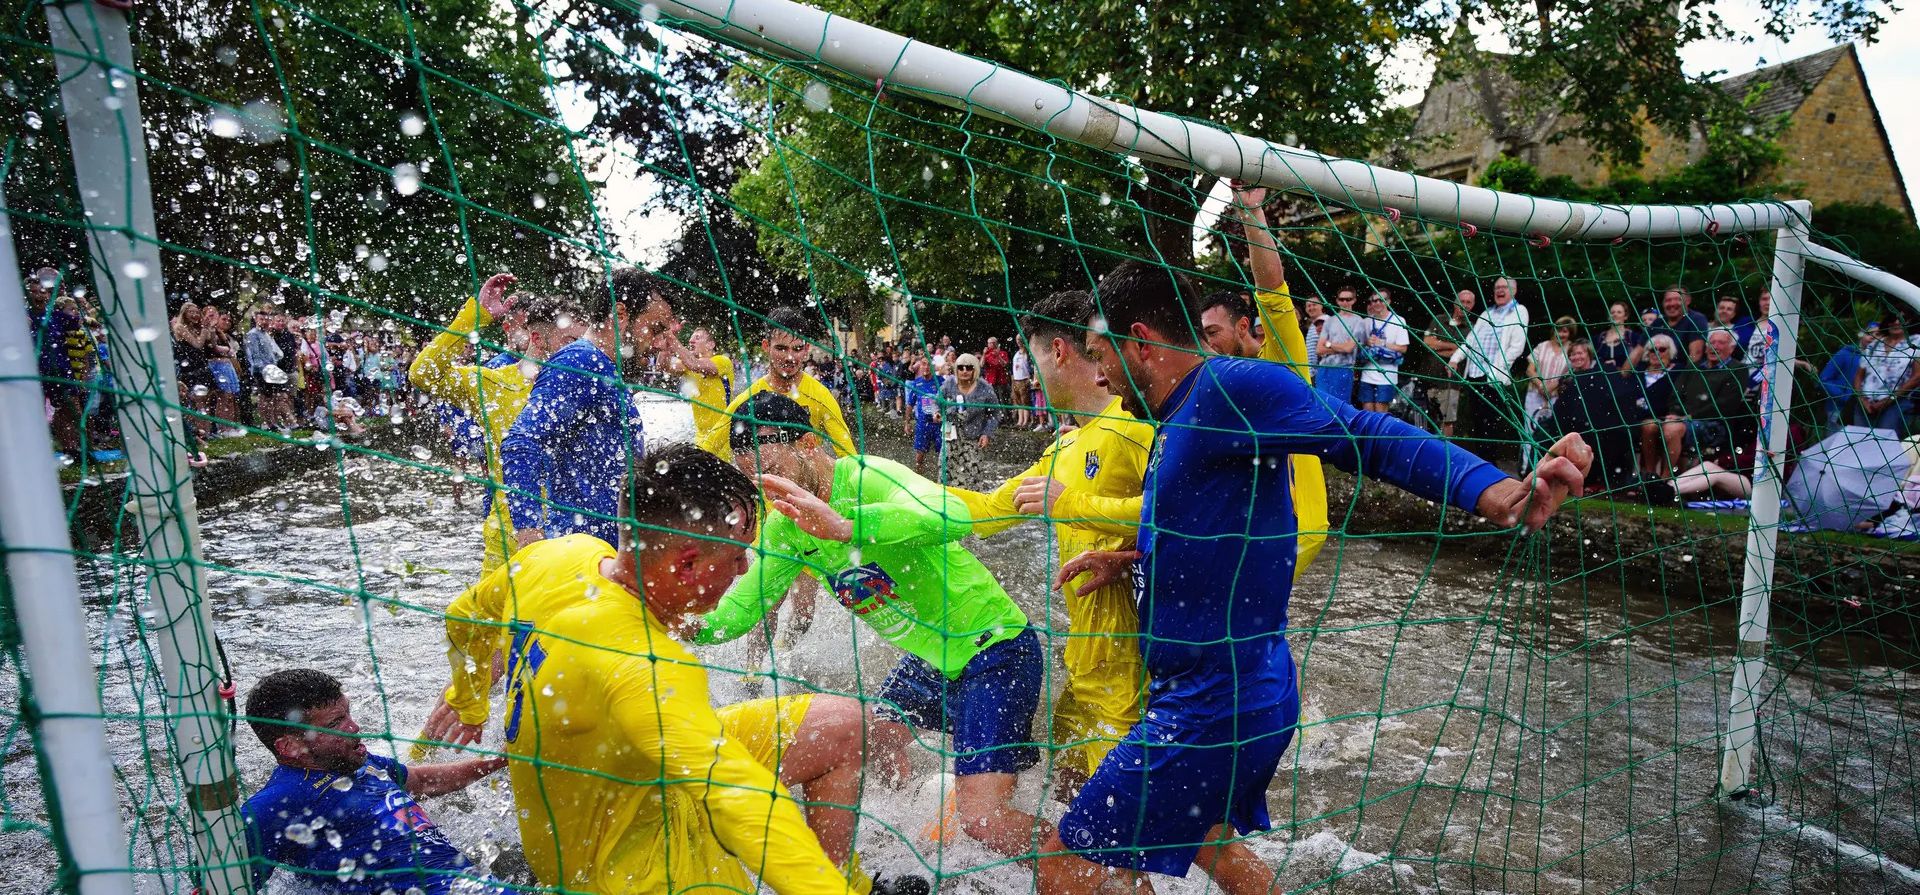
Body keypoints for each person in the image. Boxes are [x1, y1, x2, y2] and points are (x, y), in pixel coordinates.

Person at [1034, 260, 1588, 895]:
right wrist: (1132, 560)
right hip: (1220, 692)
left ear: (1139, 340)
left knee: (1063, 865)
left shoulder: (1227, 387)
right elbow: (1218, 530)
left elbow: (1366, 432)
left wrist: (1492, 491)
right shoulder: (1180, 412)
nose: (1098, 373)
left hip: (1215, 702)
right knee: (1192, 853)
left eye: (1102, 354)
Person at [425, 445, 919, 895]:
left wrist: (470, 703)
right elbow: (737, 796)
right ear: (684, 564)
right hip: (619, 866)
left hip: (621, 779)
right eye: (736, 555)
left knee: (844, 726)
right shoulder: (647, 661)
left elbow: (462, 619)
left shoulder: (560, 555)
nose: (745, 569)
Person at [697, 393, 1046, 862]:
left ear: (806, 444)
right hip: (931, 660)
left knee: (983, 818)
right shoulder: (785, 527)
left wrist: (847, 525)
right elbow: (738, 613)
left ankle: (1098, 871)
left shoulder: (868, 477)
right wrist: (674, 616)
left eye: (772, 475)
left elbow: (953, 516)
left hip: (995, 647)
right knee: (870, 737)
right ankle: (916, 852)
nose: (769, 495)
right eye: (756, 482)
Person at [949, 290, 1149, 799]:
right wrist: (887, 497)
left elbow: (1188, 512)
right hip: (1083, 659)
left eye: (1034, 359)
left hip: (1135, 663)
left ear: (1057, 351)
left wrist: (1080, 511)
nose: (1031, 376)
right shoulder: (1062, 445)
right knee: (1063, 799)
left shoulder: (1137, 427)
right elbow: (989, 510)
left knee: (1118, 826)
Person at [240, 668, 507, 894]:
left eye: (348, 714)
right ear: (289, 746)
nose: (354, 727)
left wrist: (502, 760)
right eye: (335, 723)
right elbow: (225, 882)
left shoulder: (360, 762)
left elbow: (422, 781)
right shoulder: (276, 804)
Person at [410, 272, 578, 573]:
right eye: (571, 342)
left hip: (571, 539)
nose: (582, 353)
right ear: (538, 339)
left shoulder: (586, 388)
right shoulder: (492, 382)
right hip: (507, 540)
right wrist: (474, 318)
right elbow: (422, 373)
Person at [503, 268, 666, 550]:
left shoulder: (603, 366)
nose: (660, 343)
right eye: (655, 329)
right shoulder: (580, 361)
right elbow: (520, 442)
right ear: (621, 314)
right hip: (580, 552)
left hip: (607, 549)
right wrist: (530, 535)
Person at [700, 307, 855, 461]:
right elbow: (708, 448)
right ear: (766, 346)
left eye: (797, 349)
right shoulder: (749, 399)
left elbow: (850, 458)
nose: (789, 357)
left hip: (806, 484)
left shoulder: (820, 396)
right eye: (781, 348)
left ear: (806, 349)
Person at [1449, 276, 1531, 464]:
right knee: (1476, 421)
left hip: (1492, 377)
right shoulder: (1487, 313)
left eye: (1504, 287)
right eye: (1497, 287)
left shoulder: (1519, 311)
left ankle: (1490, 465)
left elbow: (1516, 347)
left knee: (1490, 422)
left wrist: (1496, 370)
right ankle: (1479, 463)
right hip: (1474, 375)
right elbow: (1471, 341)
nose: (1499, 291)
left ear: (1514, 291)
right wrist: (1455, 359)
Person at [1656, 330, 1751, 473]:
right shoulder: (1693, 367)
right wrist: (1675, 413)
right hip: (1681, 419)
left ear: (1731, 348)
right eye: (1711, 343)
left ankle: (1665, 479)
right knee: (1649, 427)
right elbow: (1676, 394)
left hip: (1714, 423)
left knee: (1672, 429)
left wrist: (1689, 417)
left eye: (1721, 343)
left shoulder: (1738, 370)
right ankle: (1648, 477)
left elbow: (1724, 405)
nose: (1715, 346)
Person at [1548, 342, 1636, 489]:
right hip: (1574, 425)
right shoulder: (1567, 379)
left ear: (1588, 354)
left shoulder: (1604, 372)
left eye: (1580, 353)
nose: (1576, 357)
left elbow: (1616, 398)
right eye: (1572, 354)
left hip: (1602, 425)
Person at [655, 323, 736, 451]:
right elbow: (662, 367)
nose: (691, 340)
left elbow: (694, 364)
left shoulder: (723, 361)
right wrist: (664, 349)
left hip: (723, 434)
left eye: (697, 338)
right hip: (701, 436)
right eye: (691, 338)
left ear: (711, 344)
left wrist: (671, 337)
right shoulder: (687, 365)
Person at [936, 352, 1000, 489]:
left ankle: (972, 505)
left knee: (973, 475)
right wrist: (937, 413)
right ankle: (947, 502)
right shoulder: (949, 383)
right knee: (946, 472)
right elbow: (937, 402)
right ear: (956, 369)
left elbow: (995, 413)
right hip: (950, 436)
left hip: (973, 438)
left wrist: (986, 433)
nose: (964, 371)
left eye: (969, 367)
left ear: (975, 369)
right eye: (961, 367)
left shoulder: (985, 388)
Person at [1422, 290, 1478, 436]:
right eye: (1462, 302)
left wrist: (1440, 346)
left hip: (1451, 381)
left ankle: (1445, 453)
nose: (1464, 305)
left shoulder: (1472, 328)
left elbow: (1466, 352)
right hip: (1429, 377)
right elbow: (1428, 342)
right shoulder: (1439, 319)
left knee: (1447, 420)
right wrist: (1455, 346)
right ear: (1455, 303)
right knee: (1427, 418)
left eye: (1468, 302)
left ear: (1472, 306)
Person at [1853, 316, 1920, 433]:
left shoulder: (1916, 341)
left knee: (1887, 446)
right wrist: (1861, 399)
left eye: (1902, 318)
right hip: (1865, 405)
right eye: (1892, 318)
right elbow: (1859, 375)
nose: (1896, 322)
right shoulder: (1874, 345)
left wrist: (1890, 399)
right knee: (1860, 444)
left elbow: (1917, 377)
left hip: (1896, 404)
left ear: (1910, 321)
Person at [1633, 334, 1681, 478]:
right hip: (1637, 417)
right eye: (1652, 350)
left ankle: (1659, 476)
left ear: (1670, 352)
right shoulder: (1639, 371)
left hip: (1665, 416)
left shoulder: (1678, 372)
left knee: (1651, 426)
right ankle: (1647, 475)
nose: (1657, 353)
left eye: (1662, 349)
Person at [1355, 289, 1409, 413]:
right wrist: (1367, 342)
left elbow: (1403, 348)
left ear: (1388, 302)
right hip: (1367, 374)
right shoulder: (1366, 321)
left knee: (1381, 413)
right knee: (1367, 412)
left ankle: (1381, 433)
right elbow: (1359, 345)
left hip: (1387, 375)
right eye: (1374, 301)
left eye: (1381, 300)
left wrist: (1383, 343)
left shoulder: (1398, 320)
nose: (1377, 303)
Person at [1313, 288, 1362, 407]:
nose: (1345, 302)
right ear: (1337, 301)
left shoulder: (1359, 321)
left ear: (1354, 300)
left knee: (1340, 407)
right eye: (1342, 299)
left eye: (1348, 299)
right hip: (1324, 369)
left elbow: (1349, 348)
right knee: (1321, 405)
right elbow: (1319, 349)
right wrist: (1340, 347)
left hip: (1344, 368)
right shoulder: (1330, 321)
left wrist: (1329, 344)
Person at [1819, 327, 1872, 429]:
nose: (1873, 338)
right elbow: (1824, 379)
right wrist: (1844, 396)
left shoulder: (1881, 359)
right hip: (1839, 408)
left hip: (1867, 410)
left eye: (1878, 335)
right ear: (1861, 335)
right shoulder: (1845, 353)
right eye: (1870, 334)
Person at [1645, 285, 1709, 366]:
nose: (1672, 303)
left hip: (1682, 373)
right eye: (1668, 300)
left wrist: (1686, 377)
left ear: (1688, 301)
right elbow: (1638, 350)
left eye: (1677, 299)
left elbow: (1696, 354)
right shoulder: (1658, 323)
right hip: (1657, 372)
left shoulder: (1696, 319)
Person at [902, 357, 943, 474]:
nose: (926, 367)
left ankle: (942, 480)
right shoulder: (917, 383)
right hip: (922, 423)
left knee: (943, 454)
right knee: (919, 455)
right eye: (924, 364)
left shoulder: (940, 381)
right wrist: (907, 423)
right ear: (920, 366)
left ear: (933, 367)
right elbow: (910, 404)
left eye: (929, 365)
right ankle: (919, 476)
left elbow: (948, 401)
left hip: (938, 424)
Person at [1197, 289, 1262, 358]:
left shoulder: (1272, 356)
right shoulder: (1211, 365)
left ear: (1242, 326)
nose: (1206, 344)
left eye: (1212, 332)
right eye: (1203, 337)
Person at [1591, 301, 1646, 374]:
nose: (1615, 314)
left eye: (1619, 312)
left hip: (1627, 379)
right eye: (1612, 312)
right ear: (1608, 316)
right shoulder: (1598, 339)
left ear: (1625, 316)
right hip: (1602, 379)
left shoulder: (1634, 337)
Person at [1010, 341, 1033, 428]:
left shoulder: (1027, 354)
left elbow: (1030, 366)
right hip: (1016, 379)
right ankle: (1020, 421)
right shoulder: (1016, 354)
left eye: (1020, 341)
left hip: (1024, 379)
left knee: (1025, 401)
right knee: (1018, 401)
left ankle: (1025, 421)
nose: (1019, 343)